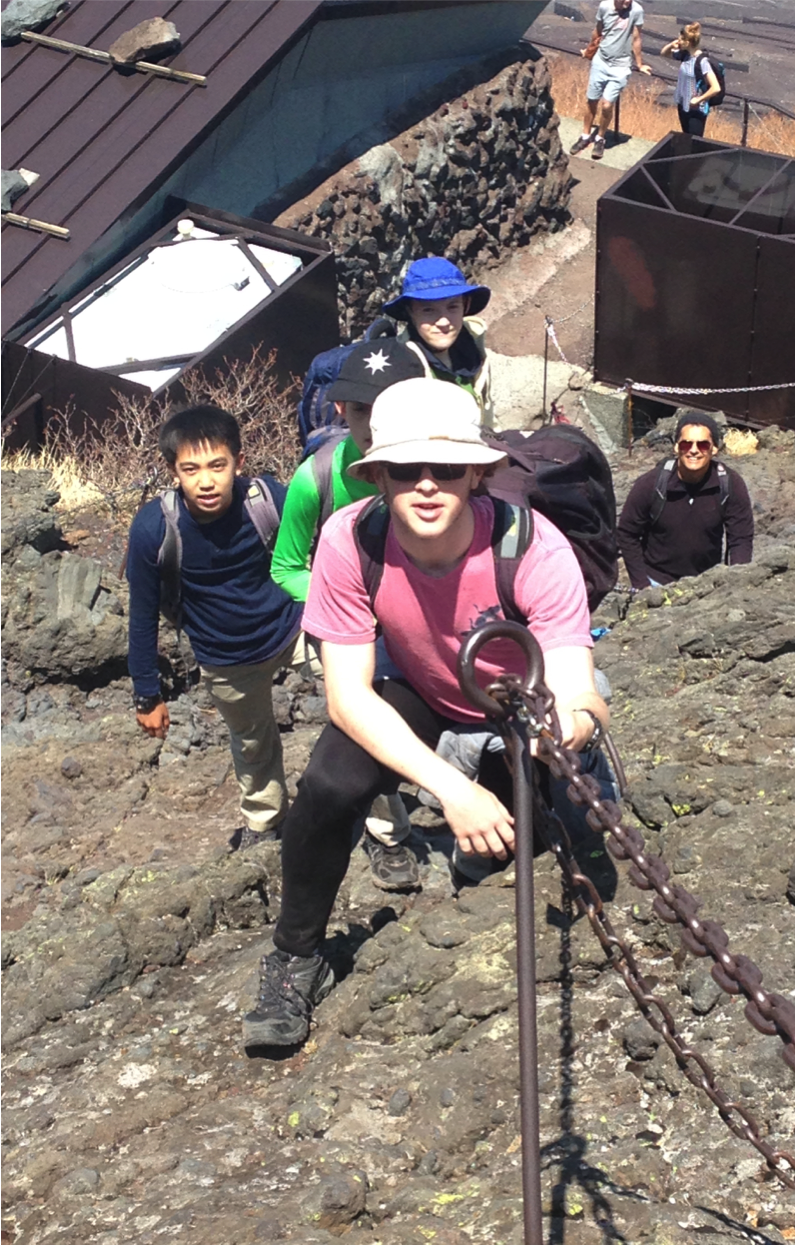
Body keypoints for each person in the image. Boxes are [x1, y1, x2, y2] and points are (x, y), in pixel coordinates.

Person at [243, 378, 609, 1047]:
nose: (427, 484)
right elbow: (346, 694)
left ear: (476, 472)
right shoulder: (349, 541)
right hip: (424, 686)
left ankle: (498, 869)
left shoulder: (533, 548)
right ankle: (295, 957)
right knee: (329, 784)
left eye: (445, 468)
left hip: (520, 699)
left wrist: (570, 727)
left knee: (537, 836)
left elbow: (572, 682)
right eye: (407, 469)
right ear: (378, 475)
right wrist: (452, 790)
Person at [270, 337, 426, 890]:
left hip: (418, 619)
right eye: (361, 409)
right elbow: (285, 566)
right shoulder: (314, 479)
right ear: (340, 410)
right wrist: (344, 599)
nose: (372, 423)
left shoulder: (441, 469)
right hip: (343, 630)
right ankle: (389, 835)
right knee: (363, 727)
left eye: (387, 405)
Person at [127, 406, 307, 850]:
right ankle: (265, 824)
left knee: (360, 713)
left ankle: (386, 829)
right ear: (173, 472)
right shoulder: (155, 528)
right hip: (225, 654)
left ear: (238, 463)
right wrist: (147, 694)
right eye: (190, 470)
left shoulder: (269, 500)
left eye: (217, 466)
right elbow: (143, 612)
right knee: (252, 745)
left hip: (296, 626)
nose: (206, 481)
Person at [617, 413, 754, 591]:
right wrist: (642, 585)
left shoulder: (730, 484)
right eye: (686, 443)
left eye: (703, 445)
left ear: (714, 449)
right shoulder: (651, 484)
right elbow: (627, 534)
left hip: (706, 584)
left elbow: (741, 538)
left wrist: (735, 583)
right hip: (656, 582)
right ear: (676, 447)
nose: (694, 450)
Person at [382, 257, 496, 429]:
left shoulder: (474, 348)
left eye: (452, 307)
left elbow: (488, 418)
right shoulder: (401, 368)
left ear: (466, 305)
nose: (443, 322)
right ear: (410, 312)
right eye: (428, 310)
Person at [570, 0, 651, 161]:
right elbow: (598, 31)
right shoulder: (605, 7)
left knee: (607, 104)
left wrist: (639, 64)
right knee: (592, 100)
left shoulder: (637, 11)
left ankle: (600, 137)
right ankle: (585, 135)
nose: (627, 1)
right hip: (601, 61)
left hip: (621, 66)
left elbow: (636, 38)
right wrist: (588, 51)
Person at [660, 22, 720, 137]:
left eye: (680, 40)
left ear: (687, 42)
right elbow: (663, 54)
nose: (679, 42)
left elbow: (716, 88)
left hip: (696, 109)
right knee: (686, 137)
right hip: (683, 105)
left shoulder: (702, 62)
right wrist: (671, 45)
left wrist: (699, 99)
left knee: (695, 140)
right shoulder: (685, 55)